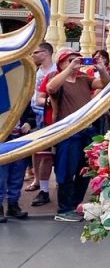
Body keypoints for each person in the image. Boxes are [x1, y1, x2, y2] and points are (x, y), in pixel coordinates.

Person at [46, 49, 106, 221]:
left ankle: (76, 204)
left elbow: (104, 84)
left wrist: (101, 68)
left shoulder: (84, 79)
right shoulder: (56, 79)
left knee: (84, 170)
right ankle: (64, 209)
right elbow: (51, 88)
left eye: (78, 59)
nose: (76, 62)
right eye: (71, 59)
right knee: (65, 171)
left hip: (87, 132)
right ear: (62, 63)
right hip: (68, 133)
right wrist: (68, 70)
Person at [27, 42, 56, 207]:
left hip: (46, 114)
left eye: (36, 53)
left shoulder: (54, 72)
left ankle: (43, 185)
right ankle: (37, 179)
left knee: (45, 152)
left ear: (45, 53)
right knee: (36, 149)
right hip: (35, 112)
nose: (33, 55)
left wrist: (46, 103)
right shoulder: (38, 70)